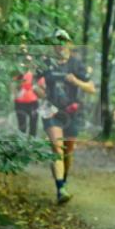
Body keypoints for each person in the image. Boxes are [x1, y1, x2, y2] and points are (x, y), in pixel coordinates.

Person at [35, 29, 95, 204]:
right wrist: (39, 91)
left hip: (72, 111)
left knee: (68, 152)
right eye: (57, 41)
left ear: (69, 44)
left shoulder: (76, 64)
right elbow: (34, 85)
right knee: (57, 148)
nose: (60, 45)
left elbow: (91, 88)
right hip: (51, 110)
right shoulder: (45, 64)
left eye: (63, 41)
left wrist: (76, 81)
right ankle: (60, 189)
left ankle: (63, 181)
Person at [13, 56, 39, 137]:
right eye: (25, 62)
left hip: (33, 103)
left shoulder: (35, 75)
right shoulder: (18, 74)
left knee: (33, 125)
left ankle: (32, 142)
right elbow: (14, 87)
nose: (27, 64)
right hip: (20, 103)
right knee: (22, 126)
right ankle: (22, 142)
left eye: (29, 62)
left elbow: (41, 89)